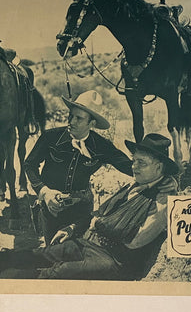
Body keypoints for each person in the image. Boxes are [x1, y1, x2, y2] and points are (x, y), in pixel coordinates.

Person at [0, 133, 179, 280]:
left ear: (160, 168)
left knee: (53, 274)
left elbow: (134, 240)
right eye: (134, 160)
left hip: (113, 262)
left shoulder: (162, 200)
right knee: (35, 255)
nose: (134, 167)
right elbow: (98, 215)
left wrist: (99, 223)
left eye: (141, 163)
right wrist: (74, 228)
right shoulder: (133, 187)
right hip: (89, 243)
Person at [24, 90, 133, 245]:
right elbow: (29, 165)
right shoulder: (50, 137)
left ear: (92, 124)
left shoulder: (101, 146)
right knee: (52, 252)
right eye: (71, 116)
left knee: (76, 252)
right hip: (51, 208)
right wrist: (44, 192)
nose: (71, 121)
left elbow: (130, 167)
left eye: (79, 118)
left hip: (81, 210)